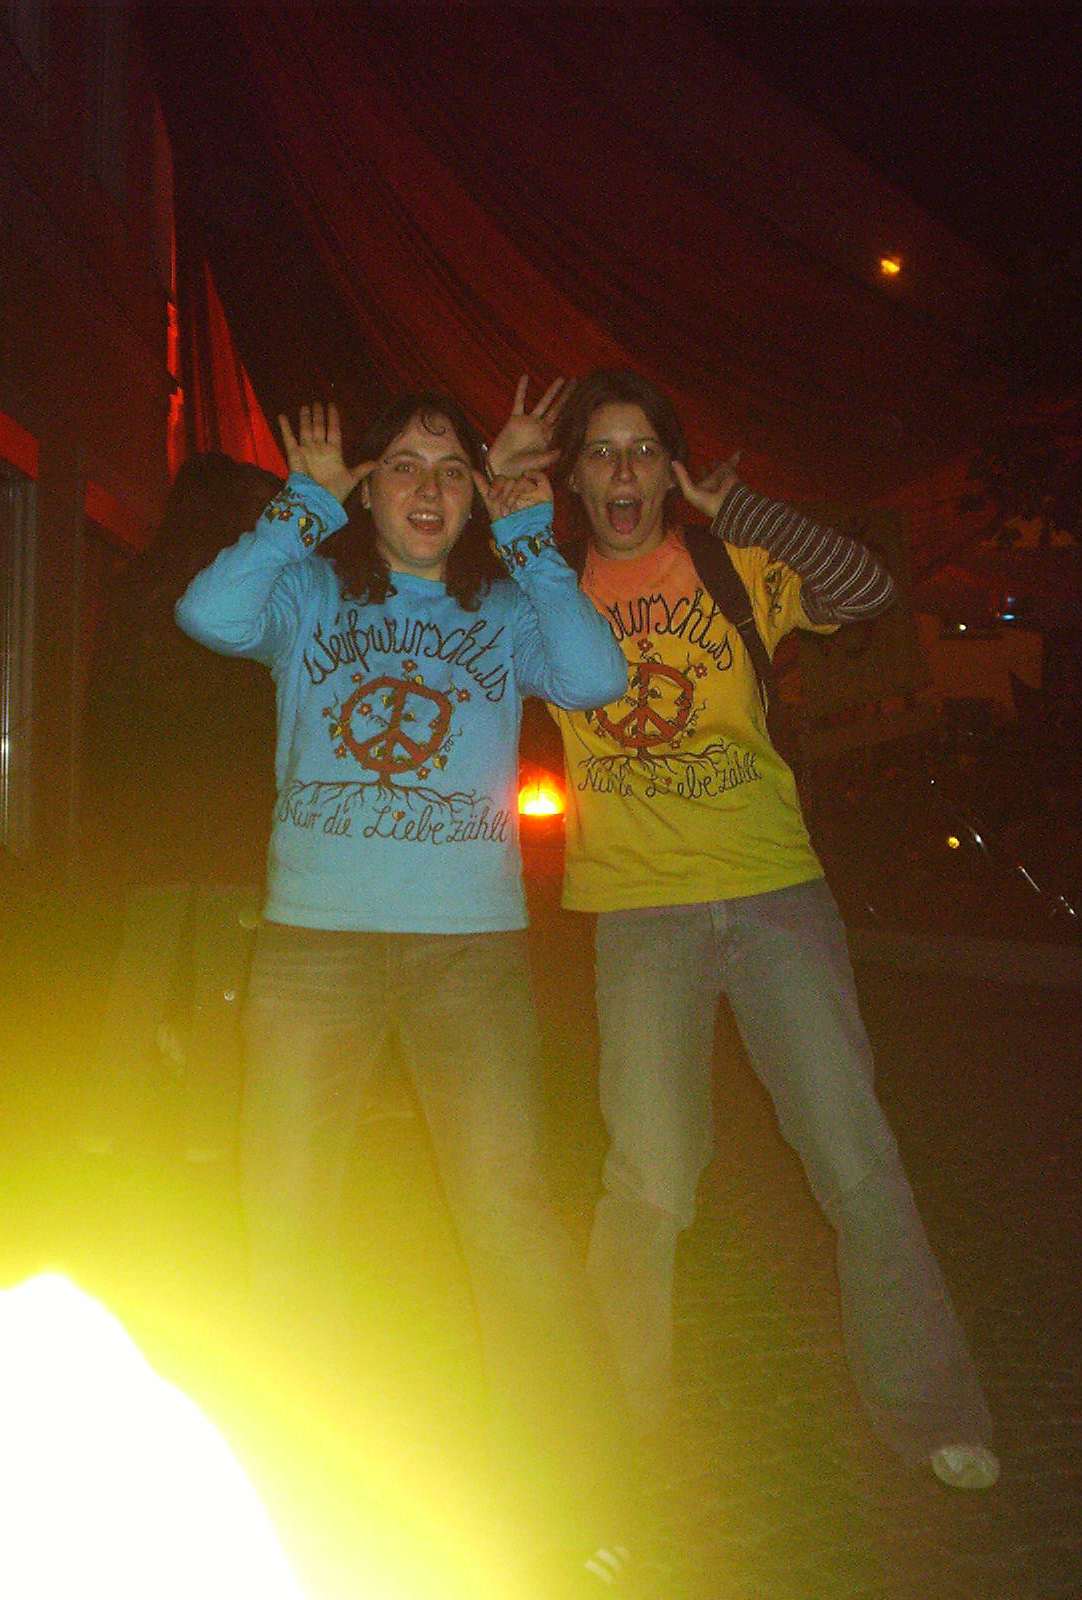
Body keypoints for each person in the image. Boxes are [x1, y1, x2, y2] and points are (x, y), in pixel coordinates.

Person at [490, 369, 998, 1491]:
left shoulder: (734, 564)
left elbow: (868, 590)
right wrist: (503, 493)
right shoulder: (545, 588)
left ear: (671, 467)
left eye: (642, 449)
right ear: (572, 477)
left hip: (773, 889)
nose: (622, 471)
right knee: (650, 1178)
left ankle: (932, 1408)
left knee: (856, 1158)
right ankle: (614, 1427)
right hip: (638, 909)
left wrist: (746, 509)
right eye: (599, 452)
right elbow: (459, 626)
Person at [175, 395, 638, 1593]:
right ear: (369, 490)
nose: (428, 489)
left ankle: (569, 1495)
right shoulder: (308, 596)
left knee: (511, 1219)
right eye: (402, 467)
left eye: (450, 471)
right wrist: (302, 501)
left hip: (465, 953)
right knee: (285, 1217)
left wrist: (529, 531)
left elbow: (596, 675)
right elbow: (206, 612)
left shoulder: (503, 610)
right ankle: (290, 1486)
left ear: (474, 497)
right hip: (314, 946)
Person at [81, 453, 281, 1163]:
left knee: (139, 974)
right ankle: (208, 1140)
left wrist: (110, 808)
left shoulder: (136, 585)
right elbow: (262, 716)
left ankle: (106, 1128)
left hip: (152, 819)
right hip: (230, 817)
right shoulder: (243, 590)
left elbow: (105, 709)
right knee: (222, 987)